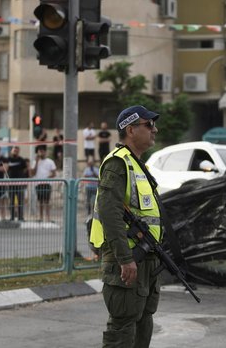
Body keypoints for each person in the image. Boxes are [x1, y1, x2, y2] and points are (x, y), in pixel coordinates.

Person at [89, 105, 162, 347]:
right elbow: (110, 213)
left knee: (143, 322)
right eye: (149, 125)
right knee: (123, 328)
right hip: (129, 259)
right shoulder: (118, 163)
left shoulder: (140, 166)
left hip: (147, 259)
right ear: (131, 130)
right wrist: (124, 258)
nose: (155, 130)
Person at [31, 145, 57, 222]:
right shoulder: (35, 162)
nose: (41, 152)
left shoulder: (50, 161)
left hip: (47, 184)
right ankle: (41, 217)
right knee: (40, 201)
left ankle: (48, 217)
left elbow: (54, 173)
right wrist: (36, 162)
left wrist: (47, 178)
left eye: (42, 151)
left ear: (45, 152)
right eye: (39, 151)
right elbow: (33, 173)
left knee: (47, 201)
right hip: (38, 184)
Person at [7, 146, 28, 221]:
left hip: (19, 184)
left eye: (17, 150)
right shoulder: (8, 159)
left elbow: (26, 169)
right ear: (11, 151)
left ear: (19, 151)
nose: (15, 151)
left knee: (20, 201)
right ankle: (12, 217)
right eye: (14, 150)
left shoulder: (21, 160)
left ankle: (20, 217)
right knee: (11, 201)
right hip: (10, 184)